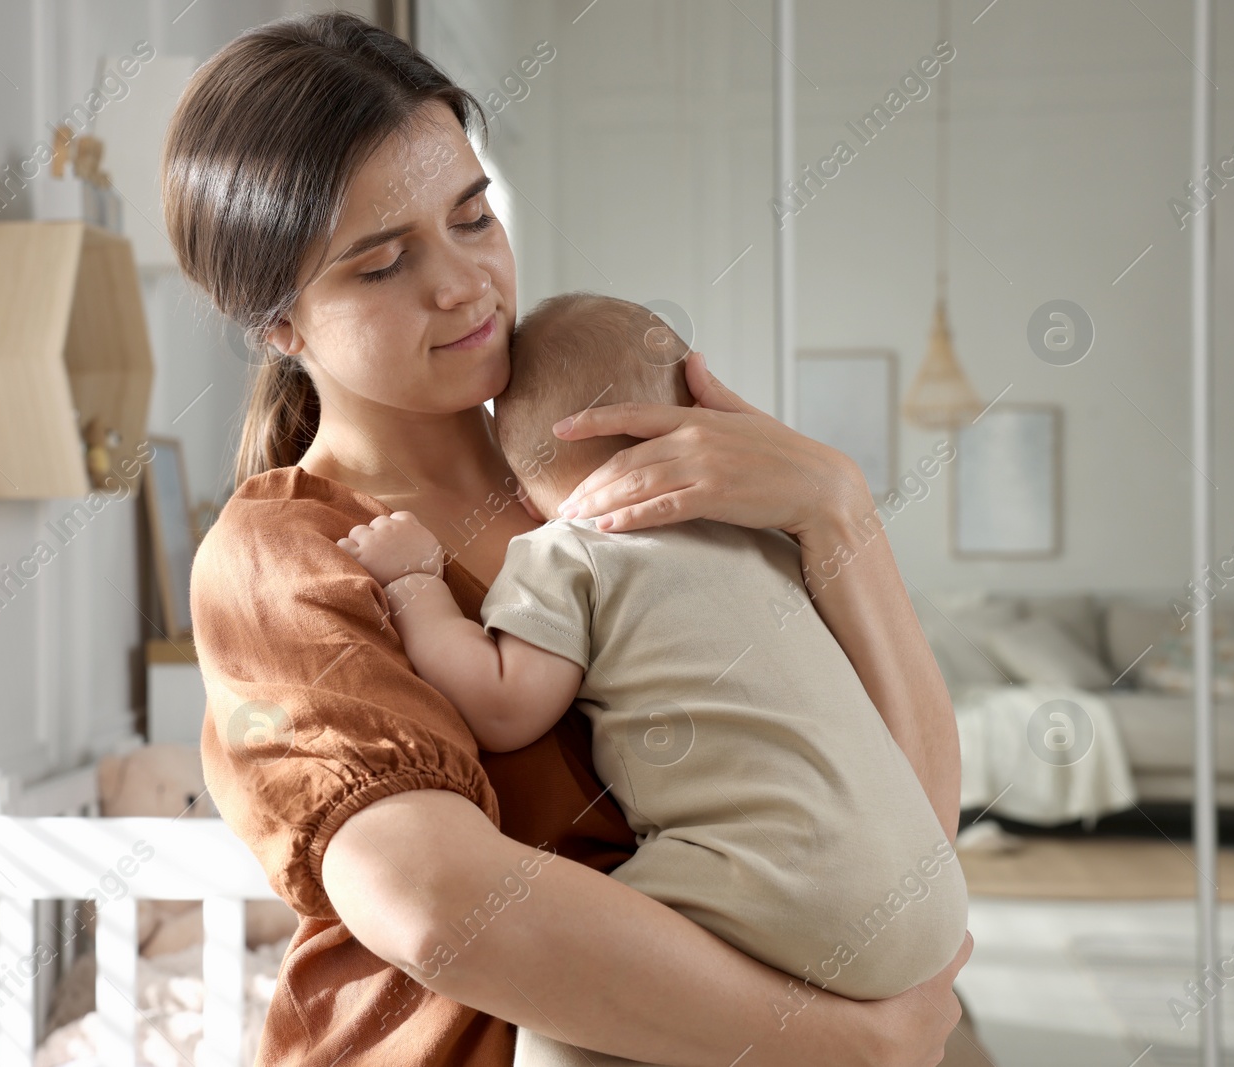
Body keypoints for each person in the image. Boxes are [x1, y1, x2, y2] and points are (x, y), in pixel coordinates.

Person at [164, 12, 972, 1066]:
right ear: (278, 322)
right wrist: (838, 1043)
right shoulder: (289, 553)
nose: (461, 283)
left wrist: (838, 512)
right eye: (379, 264)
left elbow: (897, 828)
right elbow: (433, 898)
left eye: (472, 218)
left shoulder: (621, 457)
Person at [334, 293, 968, 1066]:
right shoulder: (767, 540)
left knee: (569, 1010)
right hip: (927, 906)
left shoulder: (571, 549)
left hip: (782, 887)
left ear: (518, 459)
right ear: (695, 415)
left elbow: (504, 707)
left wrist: (415, 588)